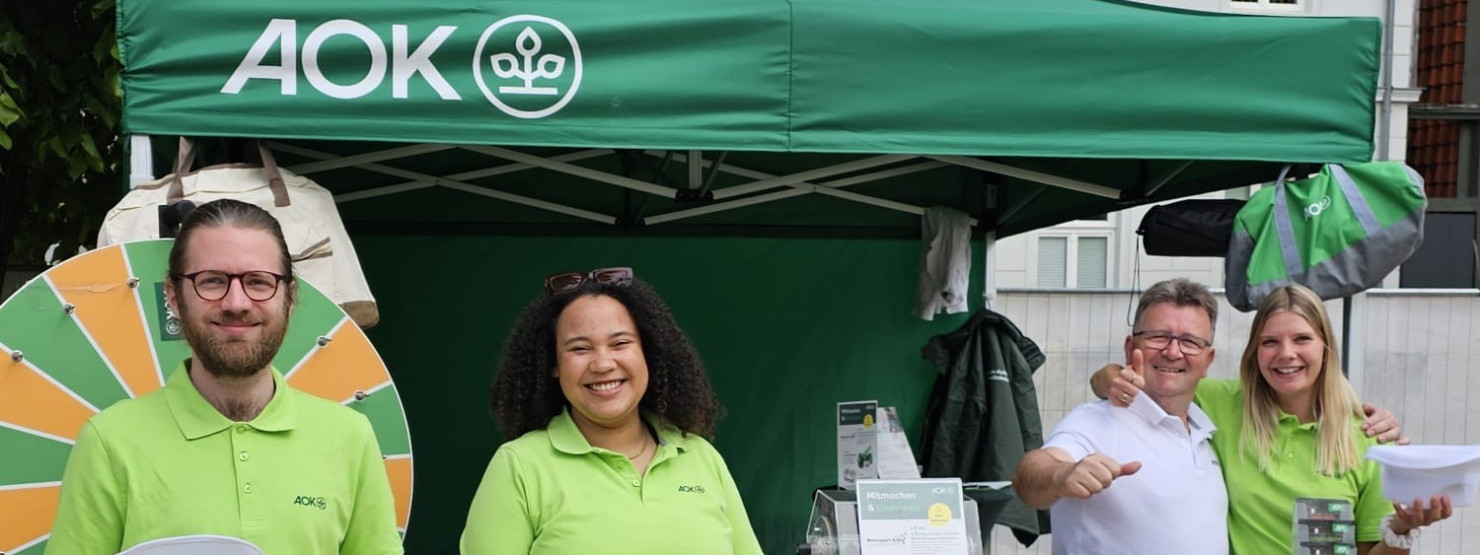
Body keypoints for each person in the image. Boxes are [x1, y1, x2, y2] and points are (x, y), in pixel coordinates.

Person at [47, 199, 403, 554]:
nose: (236, 303)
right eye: (212, 281)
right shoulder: (109, 442)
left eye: (258, 282)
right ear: (173, 296)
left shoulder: (350, 437)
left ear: (290, 297)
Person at [1095, 284, 1452, 554]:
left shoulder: (1367, 437)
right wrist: (1112, 379)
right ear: (1255, 351)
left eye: (1302, 339)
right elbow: (1142, 379)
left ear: (1325, 347)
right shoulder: (1221, 403)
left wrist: (1402, 529)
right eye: (1270, 342)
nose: (1286, 354)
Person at [460, 268, 763, 555]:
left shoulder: (701, 456)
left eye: (620, 343)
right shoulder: (519, 466)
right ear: (553, 364)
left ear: (648, 353)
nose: (603, 364)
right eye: (580, 348)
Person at [1013, 278, 1228, 555]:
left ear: (1208, 360)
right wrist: (1062, 474)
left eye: (1190, 341)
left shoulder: (1205, 432)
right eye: (1158, 336)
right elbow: (1028, 478)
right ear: (1130, 348)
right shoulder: (1097, 421)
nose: (1173, 352)